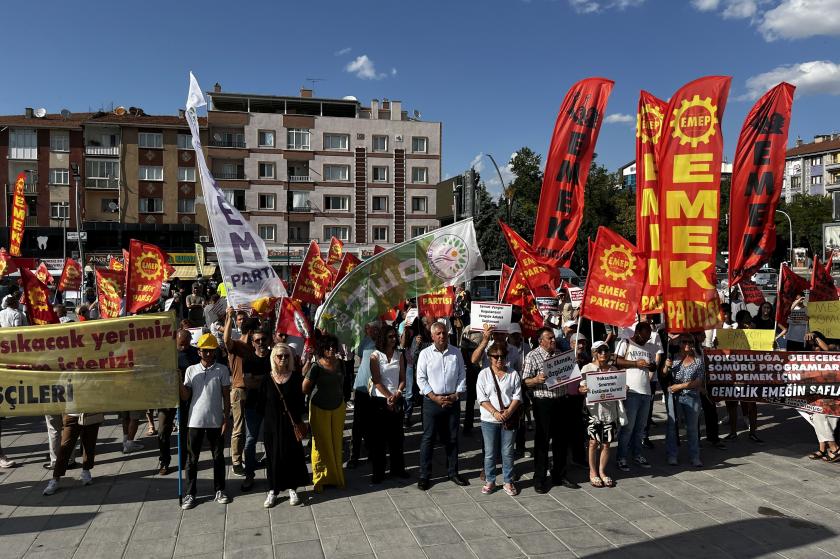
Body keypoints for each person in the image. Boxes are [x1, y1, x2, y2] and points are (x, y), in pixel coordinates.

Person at [522, 327, 579, 493]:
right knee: (542, 440)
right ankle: (539, 478)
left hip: (561, 401)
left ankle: (559, 474)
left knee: (561, 440)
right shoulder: (532, 356)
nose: (553, 340)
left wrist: (572, 366)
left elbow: (572, 376)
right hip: (543, 402)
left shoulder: (560, 354)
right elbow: (524, 381)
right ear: (541, 341)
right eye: (550, 338)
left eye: (554, 338)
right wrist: (536, 379)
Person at [180, 333, 231, 509]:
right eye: (204, 351)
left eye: (211, 351)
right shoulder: (190, 370)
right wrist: (179, 383)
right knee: (192, 459)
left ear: (215, 351)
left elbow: (226, 395)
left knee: (218, 457)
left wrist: (226, 417)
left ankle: (220, 490)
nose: (208, 354)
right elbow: (186, 396)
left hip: (216, 420)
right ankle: (190, 493)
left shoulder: (222, 370)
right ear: (199, 352)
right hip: (194, 420)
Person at [416, 321, 468, 490]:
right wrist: (434, 396)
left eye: (444, 333)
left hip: (452, 401)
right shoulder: (425, 354)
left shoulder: (456, 353)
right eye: (438, 333)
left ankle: (453, 472)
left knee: (452, 438)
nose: (442, 336)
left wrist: (456, 395)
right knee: (428, 438)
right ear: (432, 336)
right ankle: (425, 475)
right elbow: (421, 378)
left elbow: (462, 375)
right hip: (432, 402)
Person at [259, 343, 310, 507]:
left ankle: (292, 488)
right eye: (279, 356)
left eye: (286, 356)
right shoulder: (267, 379)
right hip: (272, 425)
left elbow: (301, 403)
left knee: (291, 455)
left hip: (291, 424)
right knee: (273, 456)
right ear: (273, 358)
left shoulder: (295, 378)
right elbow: (260, 403)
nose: (283, 359)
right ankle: (273, 490)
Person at [614, 322, 662, 472]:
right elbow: (616, 361)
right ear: (637, 332)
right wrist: (635, 363)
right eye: (644, 336)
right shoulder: (626, 342)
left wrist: (653, 366)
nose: (646, 339)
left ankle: (637, 454)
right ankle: (621, 457)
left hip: (646, 391)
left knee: (640, 428)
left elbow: (652, 364)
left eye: (648, 337)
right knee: (628, 427)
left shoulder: (648, 347)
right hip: (631, 391)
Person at [476, 341, 522, 496]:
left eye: (502, 356)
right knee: (490, 452)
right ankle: (490, 480)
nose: (499, 359)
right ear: (490, 358)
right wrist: (495, 413)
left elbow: (517, 396)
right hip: (489, 419)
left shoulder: (513, 373)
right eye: (495, 357)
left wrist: (508, 411)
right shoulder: (483, 374)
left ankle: (508, 481)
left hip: (508, 419)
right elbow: (481, 397)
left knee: (508, 452)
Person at [302, 334, 346, 492]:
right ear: (322, 349)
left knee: (335, 443)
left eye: (333, 346)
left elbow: (344, 383)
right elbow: (305, 387)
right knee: (320, 445)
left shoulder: (341, 363)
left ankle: (336, 477)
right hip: (319, 409)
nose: (331, 349)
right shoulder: (316, 366)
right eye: (328, 347)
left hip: (337, 408)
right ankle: (320, 479)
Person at [579, 341, 623, 488]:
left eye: (606, 350)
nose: (603, 354)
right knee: (593, 443)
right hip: (593, 411)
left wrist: (623, 389)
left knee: (606, 443)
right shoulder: (587, 368)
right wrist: (582, 390)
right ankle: (593, 472)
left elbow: (618, 387)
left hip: (610, 411)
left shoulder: (613, 369)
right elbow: (580, 387)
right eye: (600, 351)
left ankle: (602, 471)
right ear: (594, 353)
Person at [369, 324, 408, 483]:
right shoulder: (375, 356)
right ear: (383, 338)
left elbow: (403, 378)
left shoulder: (400, 355)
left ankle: (397, 468)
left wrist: (397, 394)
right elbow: (376, 380)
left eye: (395, 336)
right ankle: (378, 472)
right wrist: (388, 397)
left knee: (397, 437)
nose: (393, 339)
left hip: (396, 397)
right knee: (379, 439)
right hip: (379, 399)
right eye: (390, 336)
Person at [157, 329, 198, 475]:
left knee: (185, 430)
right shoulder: (166, 353)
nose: (184, 347)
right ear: (175, 341)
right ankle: (164, 461)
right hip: (167, 396)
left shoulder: (194, 353)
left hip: (186, 395)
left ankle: (184, 460)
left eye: (186, 344)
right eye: (181, 345)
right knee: (163, 430)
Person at [224, 308, 258, 477]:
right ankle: (236, 461)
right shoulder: (237, 345)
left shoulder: (253, 349)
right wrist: (229, 318)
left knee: (250, 429)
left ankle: (248, 456)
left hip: (252, 391)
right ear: (250, 332)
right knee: (238, 428)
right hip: (238, 391)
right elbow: (226, 339)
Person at [664, 335, 705, 467]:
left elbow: (698, 381)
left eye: (690, 342)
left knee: (692, 428)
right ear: (679, 343)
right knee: (672, 426)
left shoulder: (698, 360)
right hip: (674, 397)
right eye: (684, 341)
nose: (687, 344)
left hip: (692, 396)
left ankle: (695, 456)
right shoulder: (673, 357)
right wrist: (665, 367)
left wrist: (679, 386)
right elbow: (664, 375)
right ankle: (672, 455)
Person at [42, 412, 104, 495]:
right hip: (72, 413)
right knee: (65, 447)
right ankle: (55, 479)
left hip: (91, 412)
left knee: (90, 443)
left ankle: (86, 471)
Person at [241, 327, 272, 491]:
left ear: (268, 340)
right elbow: (248, 383)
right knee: (250, 440)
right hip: (253, 405)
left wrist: (257, 378)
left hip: (271, 405)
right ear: (252, 343)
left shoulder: (275, 356)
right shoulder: (249, 359)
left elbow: (279, 378)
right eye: (257, 340)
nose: (261, 343)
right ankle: (249, 475)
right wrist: (267, 378)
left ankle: (273, 473)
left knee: (271, 439)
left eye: (263, 339)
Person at [348, 321, 380, 470]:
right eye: (370, 328)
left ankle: (372, 452)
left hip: (376, 388)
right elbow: (359, 355)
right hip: (361, 387)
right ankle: (354, 455)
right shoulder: (364, 341)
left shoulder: (382, 343)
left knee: (373, 423)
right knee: (358, 424)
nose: (373, 331)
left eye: (376, 329)